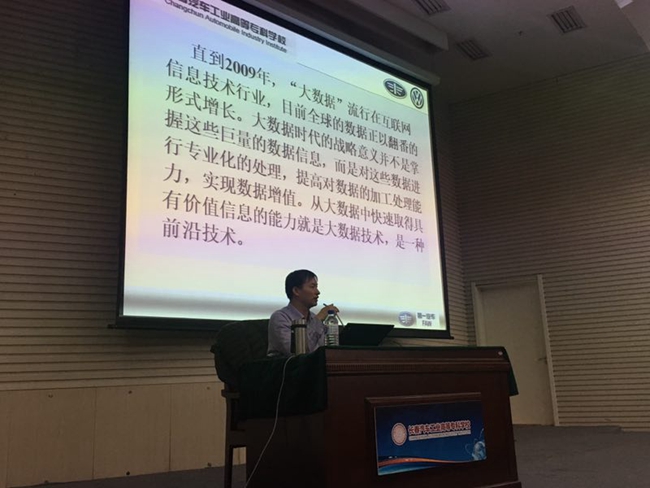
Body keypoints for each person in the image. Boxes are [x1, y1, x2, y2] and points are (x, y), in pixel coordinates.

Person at [267, 269, 339, 357]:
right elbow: (298, 354)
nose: (317, 292)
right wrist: (318, 319)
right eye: (312, 287)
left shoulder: (313, 318)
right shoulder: (280, 318)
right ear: (296, 291)